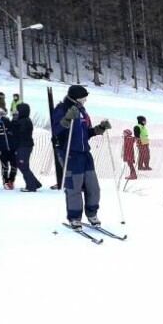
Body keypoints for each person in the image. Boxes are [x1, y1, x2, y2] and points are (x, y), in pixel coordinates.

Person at [51, 84, 111, 229]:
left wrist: (99, 129)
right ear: (78, 97)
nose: (86, 100)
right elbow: (56, 129)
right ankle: (74, 217)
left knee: (93, 187)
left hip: (85, 154)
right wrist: (66, 119)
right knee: (74, 187)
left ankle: (92, 214)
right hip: (70, 153)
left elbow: (86, 133)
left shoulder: (83, 111)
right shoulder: (62, 109)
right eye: (84, 97)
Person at [11, 102, 41, 192]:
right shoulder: (23, 120)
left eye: (17, 110)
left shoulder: (24, 121)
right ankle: (35, 183)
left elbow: (19, 133)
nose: (16, 112)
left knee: (23, 166)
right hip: (23, 146)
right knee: (22, 165)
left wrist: (14, 122)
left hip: (24, 146)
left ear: (22, 111)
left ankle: (31, 187)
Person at [0, 107, 17, 190]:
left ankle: (11, 180)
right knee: (5, 166)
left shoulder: (9, 123)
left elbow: (14, 134)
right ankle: (5, 182)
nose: (2, 116)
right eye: (0, 114)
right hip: (1, 149)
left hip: (11, 149)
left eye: (3, 114)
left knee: (14, 165)